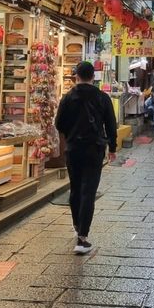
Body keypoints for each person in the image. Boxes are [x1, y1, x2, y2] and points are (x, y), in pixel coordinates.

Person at [55, 61, 117, 255]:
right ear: (93, 76)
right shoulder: (102, 97)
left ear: (76, 76)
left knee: (75, 188)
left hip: (73, 149)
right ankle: (82, 238)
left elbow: (59, 124)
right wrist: (112, 148)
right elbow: (111, 125)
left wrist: (71, 135)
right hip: (94, 149)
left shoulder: (67, 97)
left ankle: (76, 224)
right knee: (88, 191)